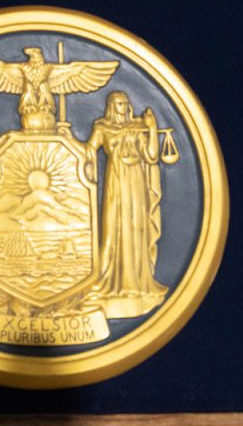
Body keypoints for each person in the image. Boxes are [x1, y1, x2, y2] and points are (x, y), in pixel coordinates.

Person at [86, 90, 168, 318]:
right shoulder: (102, 127)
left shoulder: (137, 128)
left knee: (135, 227)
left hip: (136, 182)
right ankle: (113, 278)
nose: (122, 106)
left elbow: (151, 156)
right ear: (111, 106)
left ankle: (138, 282)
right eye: (118, 103)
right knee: (115, 227)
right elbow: (88, 150)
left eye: (125, 102)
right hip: (115, 182)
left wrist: (151, 128)